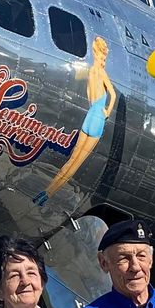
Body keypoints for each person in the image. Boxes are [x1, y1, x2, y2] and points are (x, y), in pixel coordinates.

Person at [38, 36, 118, 206]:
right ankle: (48, 194)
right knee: (77, 164)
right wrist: (106, 113)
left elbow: (90, 95)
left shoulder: (91, 72)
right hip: (97, 120)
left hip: (90, 116)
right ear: (99, 55)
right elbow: (113, 94)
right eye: (103, 56)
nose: (103, 60)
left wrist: (95, 107)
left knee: (71, 160)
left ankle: (45, 191)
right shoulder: (102, 72)